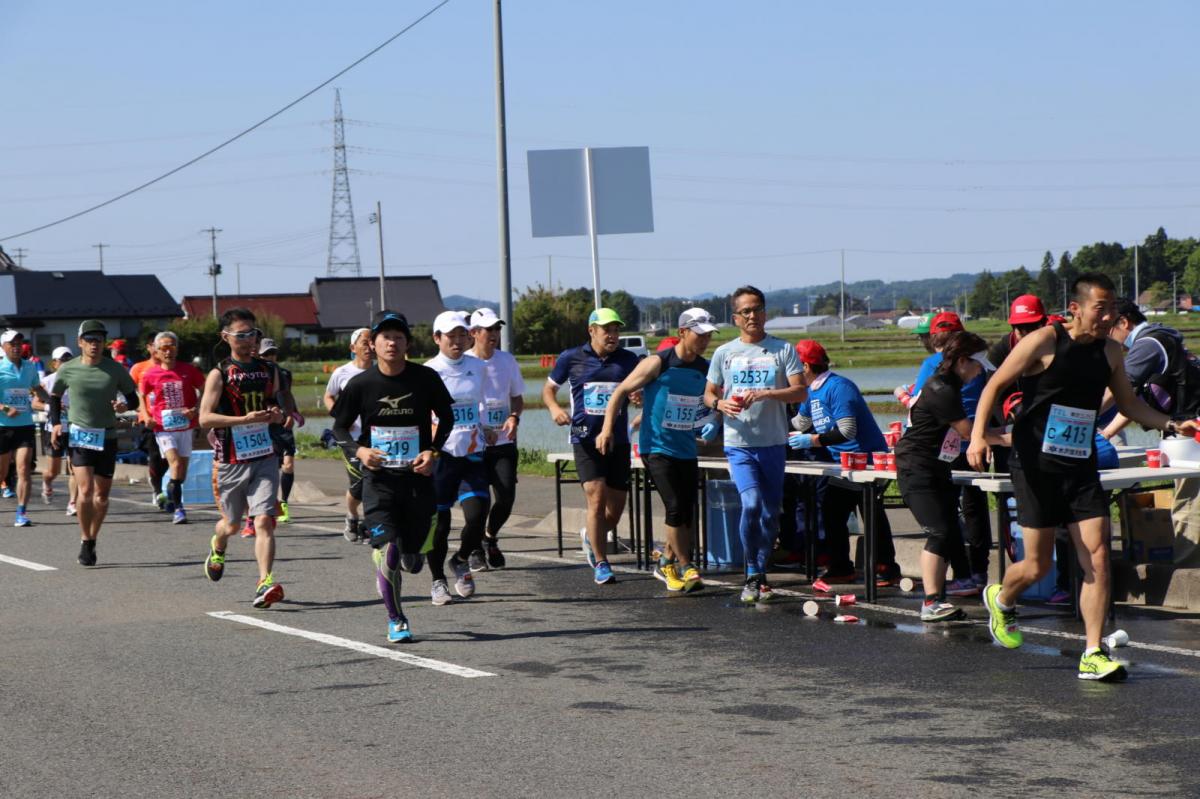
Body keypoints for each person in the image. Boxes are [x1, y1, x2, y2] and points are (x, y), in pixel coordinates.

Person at [968, 273, 1198, 681]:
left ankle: (1092, 651)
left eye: (1113, 308)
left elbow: (1130, 403)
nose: (1109, 316)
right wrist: (976, 438)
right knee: (1037, 566)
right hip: (1035, 465)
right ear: (1076, 308)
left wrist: (1170, 423)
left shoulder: (1111, 352)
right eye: (1100, 307)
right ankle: (1001, 596)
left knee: (1097, 559)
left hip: (1080, 464)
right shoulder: (1044, 341)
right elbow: (995, 387)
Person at [332, 310, 453, 642]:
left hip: (417, 480)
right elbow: (339, 427)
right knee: (389, 551)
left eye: (398, 337)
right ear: (372, 343)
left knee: (412, 559)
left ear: (407, 344)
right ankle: (396, 619)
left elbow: (447, 418)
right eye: (385, 337)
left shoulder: (425, 378)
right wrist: (359, 451)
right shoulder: (360, 384)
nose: (392, 342)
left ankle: (398, 560)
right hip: (379, 480)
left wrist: (434, 451)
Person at [598, 308, 717, 594]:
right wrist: (607, 429)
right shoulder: (657, 363)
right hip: (656, 448)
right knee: (674, 506)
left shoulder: (705, 368)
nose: (704, 340)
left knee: (685, 512)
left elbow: (714, 399)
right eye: (699, 334)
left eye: (708, 335)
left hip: (686, 449)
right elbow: (620, 392)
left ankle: (665, 560)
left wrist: (715, 418)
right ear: (682, 332)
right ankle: (686, 565)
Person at [894, 332, 1007, 621]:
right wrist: (1010, 438)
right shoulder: (941, 389)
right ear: (961, 361)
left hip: (937, 466)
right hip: (916, 467)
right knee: (939, 531)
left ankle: (939, 598)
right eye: (977, 364)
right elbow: (970, 433)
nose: (981, 370)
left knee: (949, 531)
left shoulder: (949, 385)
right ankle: (931, 602)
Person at [703, 286, 806, 603]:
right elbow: (708, 394)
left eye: (757, 309)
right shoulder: (724, 353)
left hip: (773, 443)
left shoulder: (782, 350)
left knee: (770, 514)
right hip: (739, 444)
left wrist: (765, 394)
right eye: (745, 311)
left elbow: (800, 392)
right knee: (750, 504)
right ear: (736, 317)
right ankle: (752, 574)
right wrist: (719, 406)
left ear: (765, 313)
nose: (752, 316)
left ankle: (761, 572)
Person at [787, 339, 900, 586]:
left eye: (793, 367)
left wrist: (813, 441)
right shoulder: (811, 391)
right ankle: (842, 568)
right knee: (831, 513)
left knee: (869, 513)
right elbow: (800, 424)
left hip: (866, 461)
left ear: (805, 366)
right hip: (843, 464)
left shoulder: (838, 386)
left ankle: (885, 567)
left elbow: (847, 430)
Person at [544, 308, 641, 585]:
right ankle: (601, 563)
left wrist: (638, 396)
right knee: (596, 499)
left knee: (616, 508)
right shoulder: (571, 358)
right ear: (592, 331)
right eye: (606, 329)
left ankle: (590, 534)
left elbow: (639, 391)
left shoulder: (628, 359)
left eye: (616, 330)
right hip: (585, 437)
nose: (612, 335)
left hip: (619, 440)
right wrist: (553, 409)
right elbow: (548, 389)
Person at [199, 308, 288, 608]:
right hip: (232, 460)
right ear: (226, 338)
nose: (249, 340)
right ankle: (218, 544)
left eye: (253, 333)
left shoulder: (269, 371)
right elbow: (205, 418)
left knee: (264, 520)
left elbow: (279, 406)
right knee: (232, 525)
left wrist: (277, 415)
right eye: (242, 335)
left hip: (264, 455)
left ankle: (264, 581)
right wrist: (243, 420)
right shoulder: (219, 373)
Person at [1101, 299, 1200, 566]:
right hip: (1183, 427)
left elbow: (1120, 392)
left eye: (1109, 329)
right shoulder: (1161, 337)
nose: (1108, 338)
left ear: (1124, 322)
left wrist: (1083, 416)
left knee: (1189, 502)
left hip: (1190, 430)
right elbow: (1134, 402)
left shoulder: (1147, 344)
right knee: (1187, 498)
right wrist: (1108, 432)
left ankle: (1186, 570)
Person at [48, 320, 139, 565]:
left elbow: (133, 400)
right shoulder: (68, 369)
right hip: (79, 435)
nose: (95, 344)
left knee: (102, 497)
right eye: (90, 340)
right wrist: (56, 423)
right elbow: (54, 397)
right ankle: (85, 538)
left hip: (107, 436)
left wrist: (124, 406)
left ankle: (92, 537)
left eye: (99, 339)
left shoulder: (115, 369)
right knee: (86, 491)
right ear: (80, 343)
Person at [425, 311, 491, 604]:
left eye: (462, 335)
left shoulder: (478, 367)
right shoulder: (428, 372)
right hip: (442, 456)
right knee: (440, 524)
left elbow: (480, 405)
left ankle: (461, 559)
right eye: (451, 336)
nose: (457, 340)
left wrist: (486, 427)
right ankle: (438, 580)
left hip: (473, 453)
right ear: (437, 338)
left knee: (477, 516)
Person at [466, 308, 524, 571]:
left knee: (505, 498)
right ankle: (475, 549)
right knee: (479, 501)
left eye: (497, 329)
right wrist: (479, 427)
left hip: (503, 441)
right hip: (473, 443)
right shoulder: (464, 362)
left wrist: (513, 417)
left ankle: (490, 537)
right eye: (489, 329)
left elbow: (517, 397)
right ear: (474, 333)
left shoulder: (507, 360)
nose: (494, 334)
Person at [138, 331, 207, 525]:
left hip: (186, 425)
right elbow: (141, 395)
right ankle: (179, 509)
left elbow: (206, 389)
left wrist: (196, 409)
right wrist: (146, 415)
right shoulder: (150, 374)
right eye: (163, 348)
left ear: (177, 349)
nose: (168, 352)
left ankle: (169, 494)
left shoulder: (189, 370)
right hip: (163, 426)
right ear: (157, 351)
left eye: (172, 347)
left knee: (181, 471)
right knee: (175, 464)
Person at [324, 328, 373, 542]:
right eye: (364, 342)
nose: (369, 345)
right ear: (353, 348)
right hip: (351, 437)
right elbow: (328, 396)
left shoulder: (382, 370)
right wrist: (341, 416)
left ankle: (372, 523)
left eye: (372, 341)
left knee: (376, 481)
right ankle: (352, 515)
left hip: (376, 437)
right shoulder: (342, 372)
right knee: (359, 484)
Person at [0, 330, 51, 527]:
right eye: (12, 343)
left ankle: (21, 512)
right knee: (2, 472)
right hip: (3, 426)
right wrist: (4, 407)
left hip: (25, 425)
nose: (16, 346)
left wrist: (52, 401)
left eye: (19, 343)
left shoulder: (29, 367)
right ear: (3, 347)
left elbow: (36, 388)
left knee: (24, 469)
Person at [258, 339, 300, 524]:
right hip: (265, 424)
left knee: (288, 465)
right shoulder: (256, 375)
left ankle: (284, 503)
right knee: (271, 468)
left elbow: (287, 396)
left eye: (273, 353)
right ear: (259, 355)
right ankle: (269, 502)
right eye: (266, 354)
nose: (271, 357)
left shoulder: (284, 373)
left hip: (283, 424)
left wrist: (293, 414)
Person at [33, 346, 77, 513]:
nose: (66, 363)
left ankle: (72, 503)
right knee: (54, 470)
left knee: (76, 469)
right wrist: (51, 408)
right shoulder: (49, 381)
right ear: (54, 363)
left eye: (69, 359)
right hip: (54, 429)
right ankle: (47, 482)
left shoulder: (78, 379)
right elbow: (35, 403)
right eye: (62, 360)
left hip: (75, 428)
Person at [130, 341, 168, 510]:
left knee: (169, 459)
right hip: (149, 421)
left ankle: (168, 488)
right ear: (148, 347)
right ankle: (157, 490)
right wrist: (142, 412)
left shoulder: (171, 367)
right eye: (155, 345)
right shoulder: (139, 368)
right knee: (154, 457)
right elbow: (131, 394)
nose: (158, 349)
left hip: (169, 420)